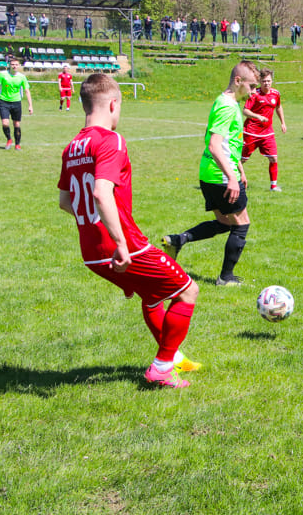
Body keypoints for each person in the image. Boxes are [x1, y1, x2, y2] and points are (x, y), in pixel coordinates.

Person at [58, 73, 201, 389]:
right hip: (123, 247)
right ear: (112, 104)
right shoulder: (111, 140)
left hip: (91, 252)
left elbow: (66, 201)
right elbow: (100, 192)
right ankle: (162, 367)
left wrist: (95, 228)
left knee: (152, 297)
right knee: (188, 291)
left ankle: (173, 357)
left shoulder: (72, 147)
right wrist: (120, 242)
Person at [162, 61, 260, 287]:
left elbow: (228, 144)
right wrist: (232, 177)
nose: (253, 92)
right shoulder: (227, 106)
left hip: (209, 174)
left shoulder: (225, 101)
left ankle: (178, 240)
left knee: (225, 222)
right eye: (251, 86)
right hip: (221, 177)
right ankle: (226, 278)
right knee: (241, 224)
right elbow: (215, 146)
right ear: (238, 81)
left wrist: (240, 169)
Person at [241, 69, 287, 192]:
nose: (267, 83)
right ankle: (228, 177)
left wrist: (282, 122)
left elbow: (278, 107)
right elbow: (245, 110)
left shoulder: (276, 93)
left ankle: (273, 186)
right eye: (264, 81)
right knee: (242, 160)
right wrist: (258, 116)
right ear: (260, 81)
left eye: (269, 81)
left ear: (272, 81)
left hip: (267, 133)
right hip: (251, 132)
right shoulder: (254, 94)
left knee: (273, 158)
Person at [0, 57, 34, 150]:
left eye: (16, 64)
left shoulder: (22, 77)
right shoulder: (2, 75)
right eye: (12, 64)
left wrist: (30, 105)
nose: (14, 66)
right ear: (9, 65)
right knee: (5, 123)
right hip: (4, 102)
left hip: (16, 102)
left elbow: (27, 91)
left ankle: (17, 144)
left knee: (16, 124)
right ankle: (9, 139)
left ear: (19, 65)